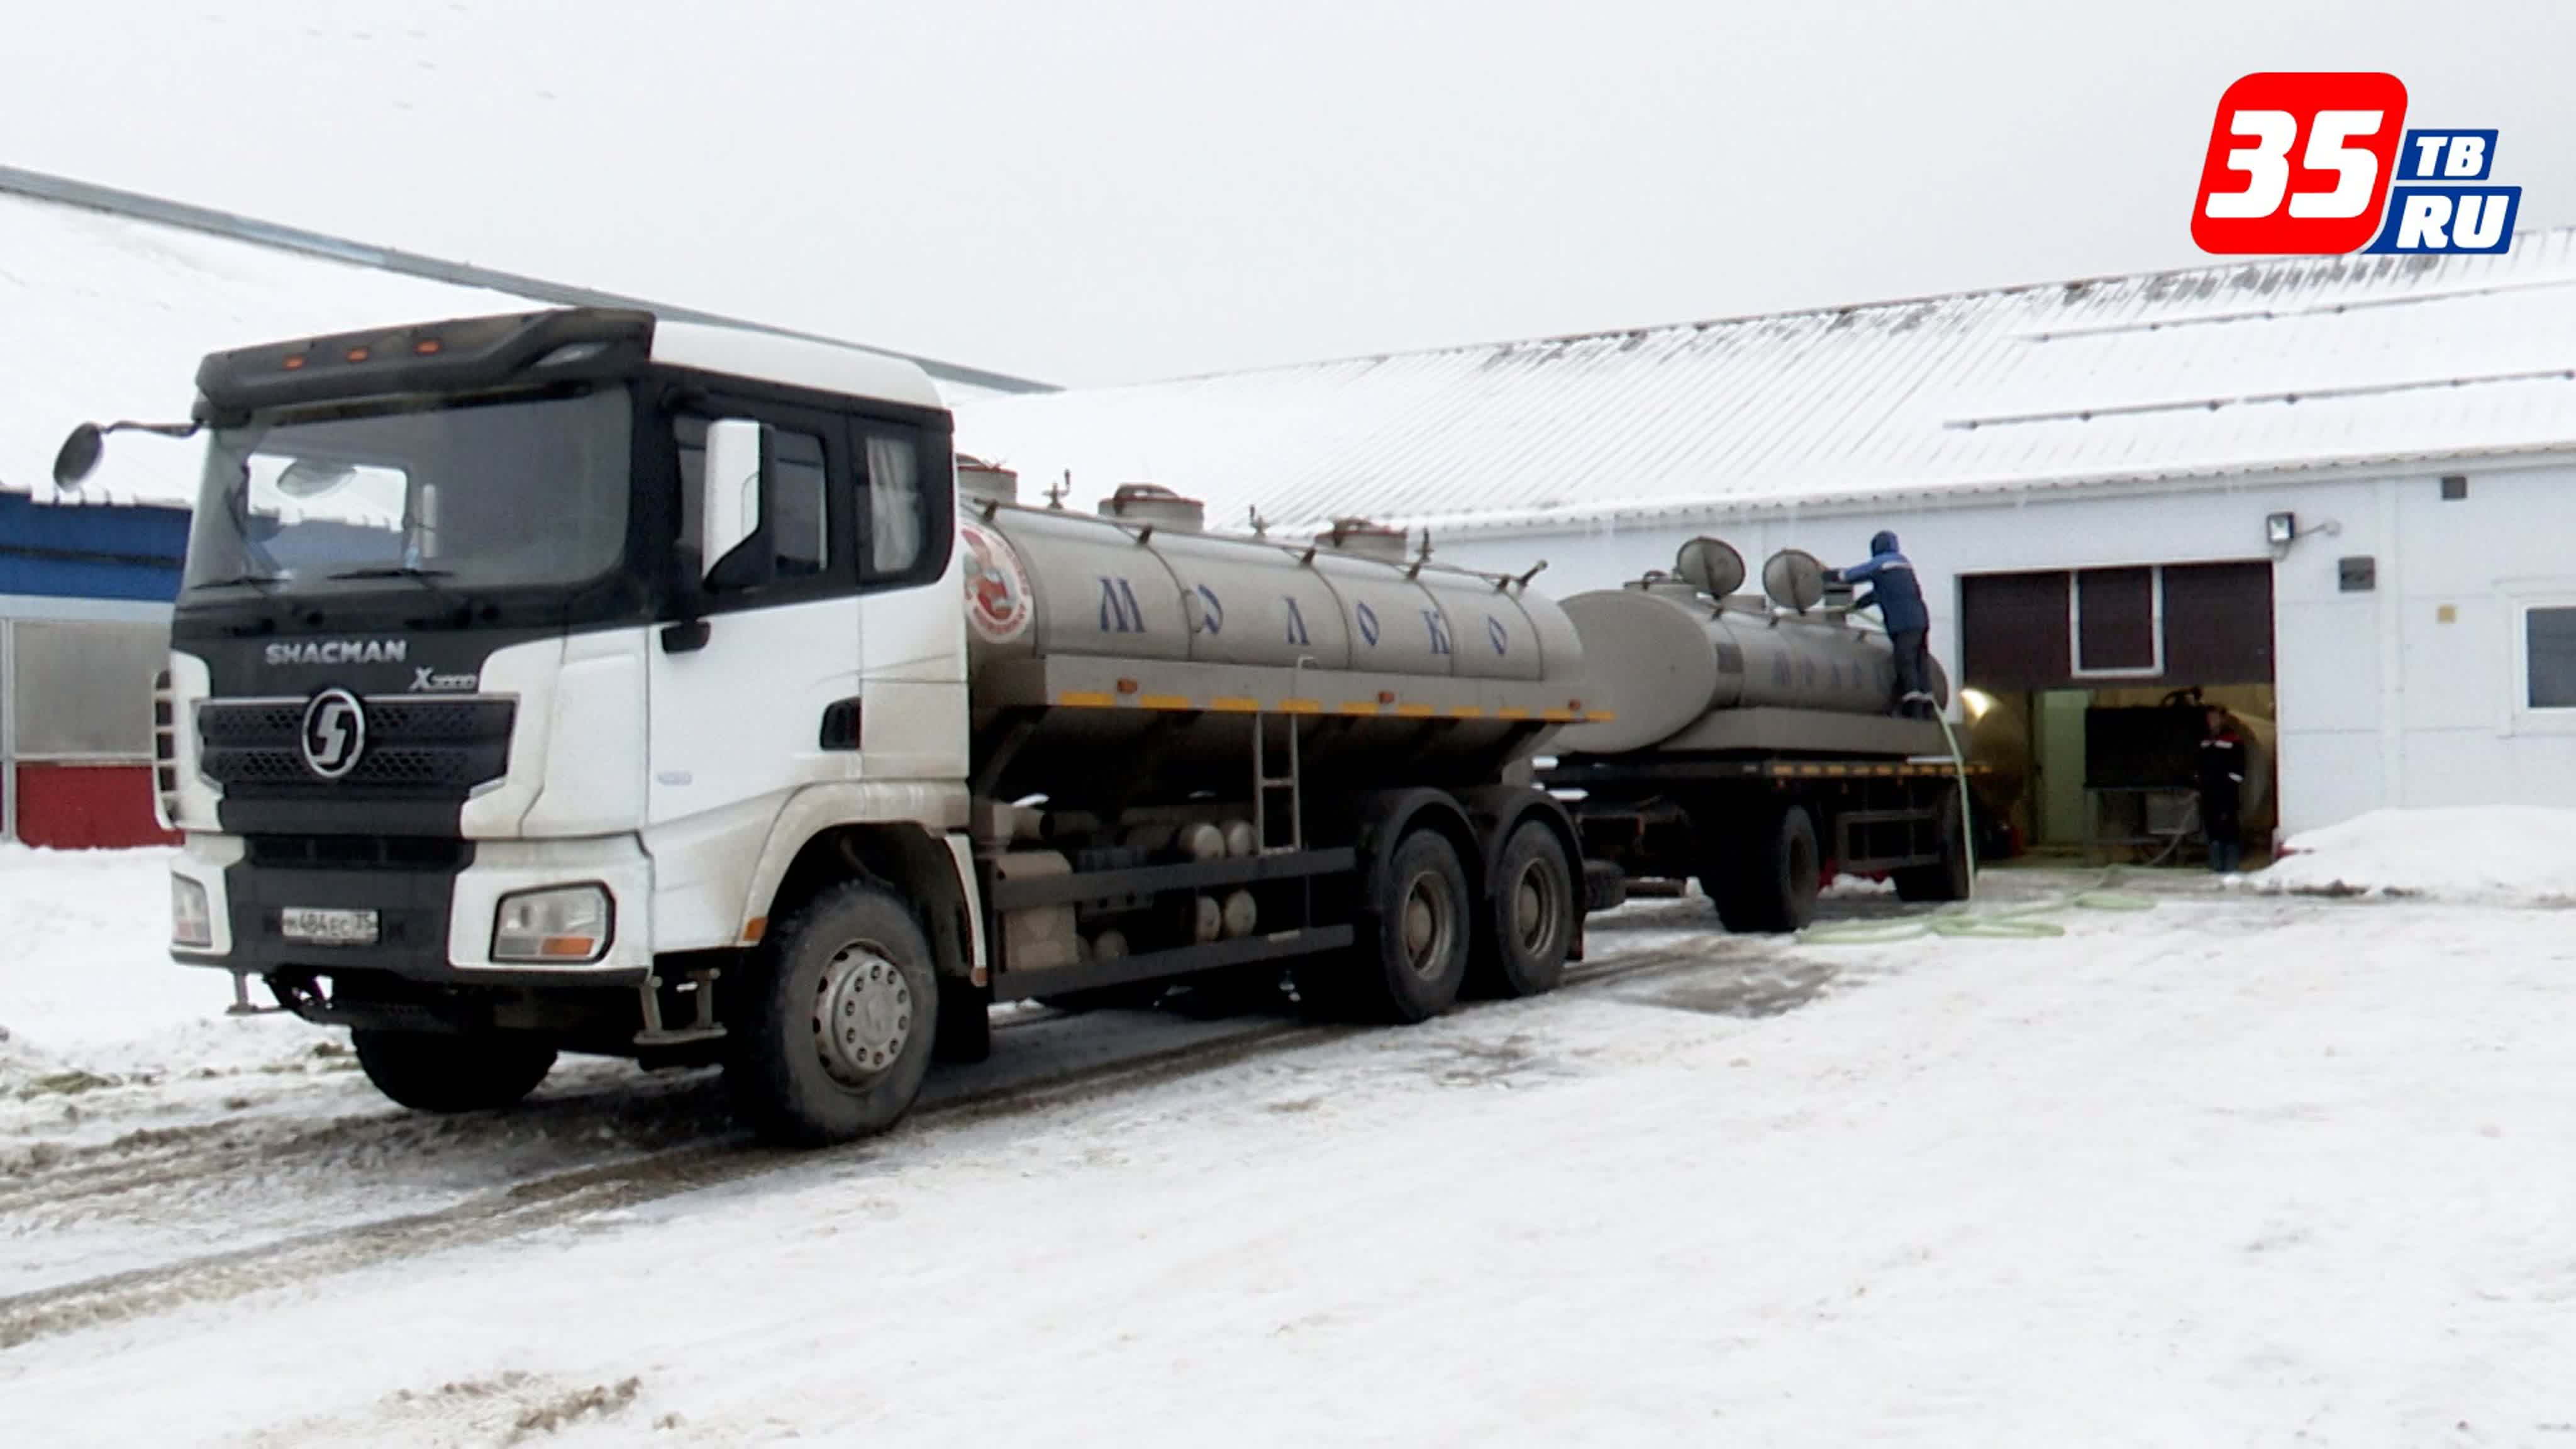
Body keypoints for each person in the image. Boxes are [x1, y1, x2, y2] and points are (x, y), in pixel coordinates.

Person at [1825, 530, 1933, 719]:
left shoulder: (1881, 563)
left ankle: (1913, 703)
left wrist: (1827, 575)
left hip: (1903, 623)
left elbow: (1851, 576)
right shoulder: (1903, 565)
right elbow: (1879, 594)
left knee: (1905, 660)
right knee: (1920, 661)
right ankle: (1928, 703)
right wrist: (1857, 605)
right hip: (1921, 620)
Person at [2195, 706, 2248, 874]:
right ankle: (2216, 866)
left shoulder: (2233, 740)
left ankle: (2231, 866)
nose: (2211, 722)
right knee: (2212, 827)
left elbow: (2239, 767)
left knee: (2229, 825)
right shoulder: (2205, 741)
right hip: (2208, 791)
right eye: (2209, 718)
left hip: (2226, 792)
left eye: (2215, 718)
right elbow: (2200, 763)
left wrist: (2229, 784)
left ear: (2223, 719)